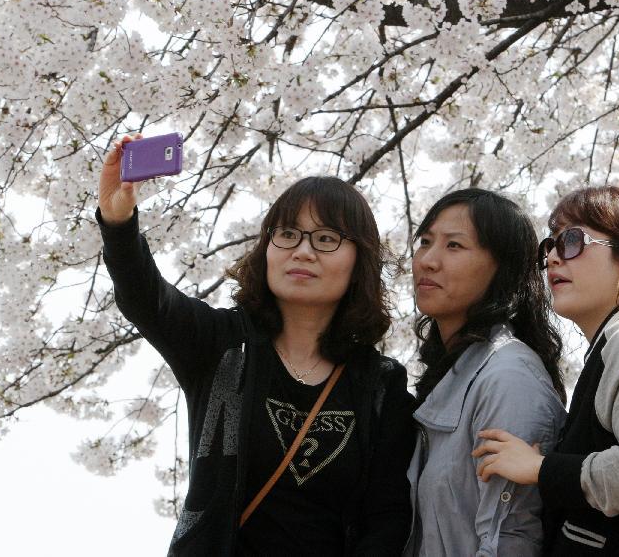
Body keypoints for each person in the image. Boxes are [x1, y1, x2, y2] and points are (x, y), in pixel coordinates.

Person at [97, 134, 415, 556]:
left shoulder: (380, 385)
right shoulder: (221, 345)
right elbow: (147, 298)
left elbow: (388, 517)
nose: (303, 251)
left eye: (326, 239)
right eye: (287, 234)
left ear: (360, 260)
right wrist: (118, 224)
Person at [472, 185, 619, 555]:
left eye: (572, 241)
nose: (553, 258)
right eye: (549, 246)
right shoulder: (617, 341)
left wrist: (541, 469)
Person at [402, 188, 568, 557]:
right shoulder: (458, 372)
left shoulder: (509, 377)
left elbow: (509, 538)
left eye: (454, 246)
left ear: (502, 269)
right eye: (425, 242)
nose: (427, 260)